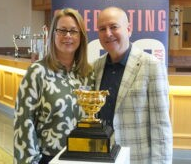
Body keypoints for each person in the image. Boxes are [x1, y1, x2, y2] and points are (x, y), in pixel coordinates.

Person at [14, 8, 95, 164]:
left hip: (85, 157)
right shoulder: (37, 72)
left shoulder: (88, 73)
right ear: (53, 34)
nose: (68, 36)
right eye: (62, 30)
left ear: (81, 36)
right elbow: (24, 123)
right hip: (49, 158)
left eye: (73, 31)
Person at [94, 7, 173, 164]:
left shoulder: (152, 66)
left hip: (136, 159)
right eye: (102, 29)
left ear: (129, 29)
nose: (108, 33)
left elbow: (161, 127)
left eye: (114, 27)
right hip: (101, 157)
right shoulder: (95, 67)